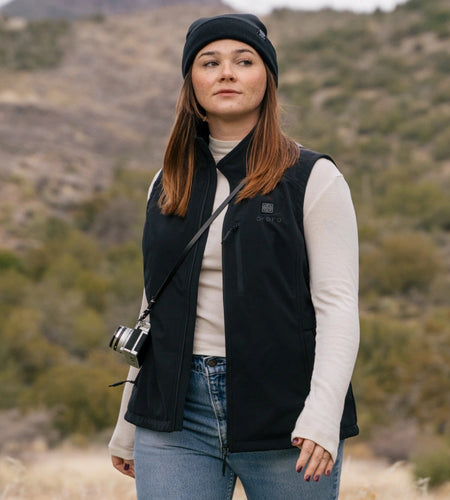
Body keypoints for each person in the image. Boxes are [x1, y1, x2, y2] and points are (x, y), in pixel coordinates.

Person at [109, 13, 359, 500]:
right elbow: (154, 305)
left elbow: (338, 305)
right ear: (191, 82)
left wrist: (323, 414)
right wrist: (128, 421)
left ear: (267, 78)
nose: (226, 73)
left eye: (244, 61)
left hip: (288, 415)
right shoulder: (166, 182)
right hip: (174, 414)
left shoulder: (313, 178)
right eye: (210, 62)